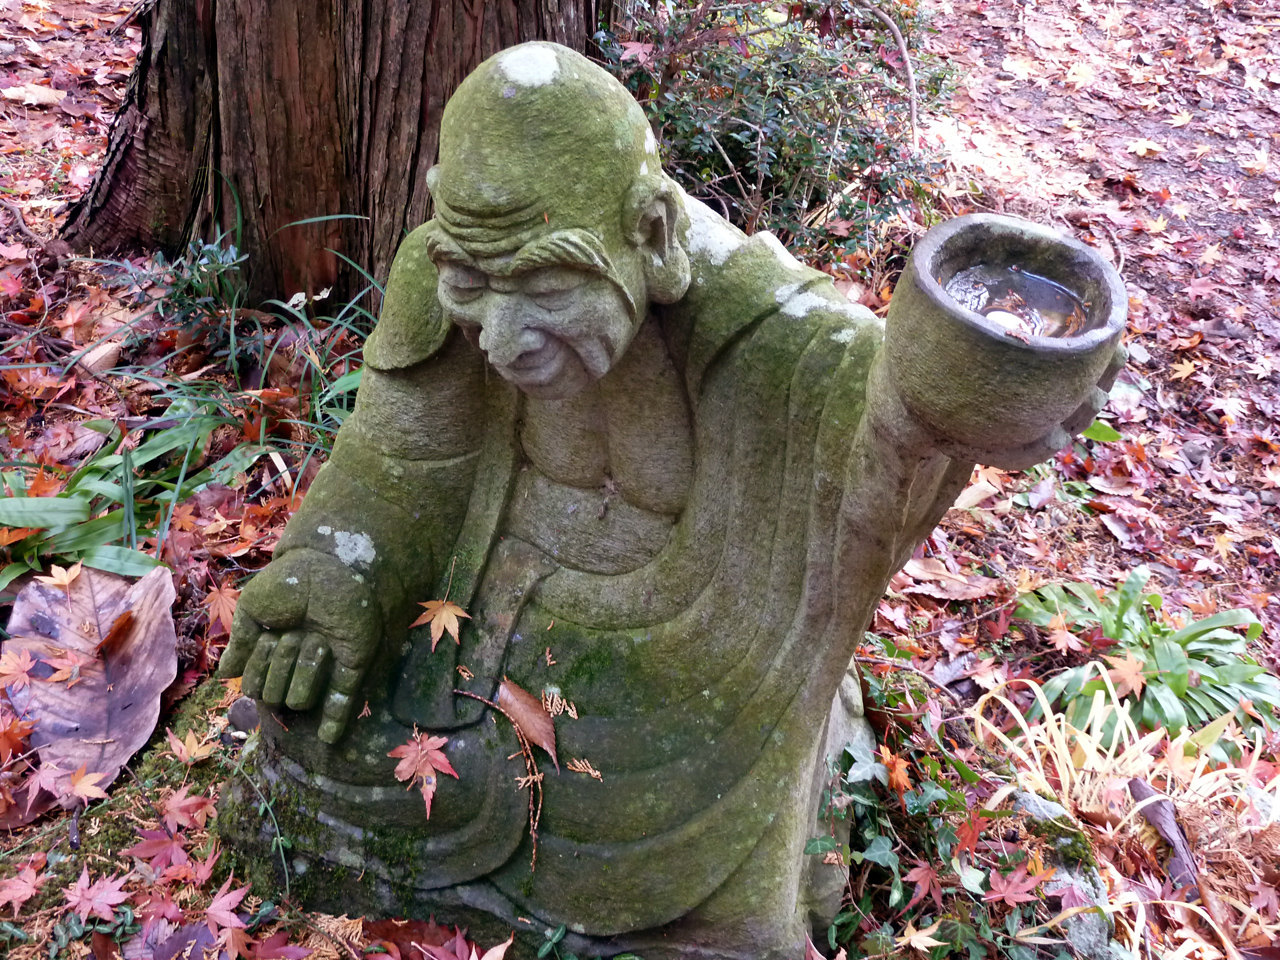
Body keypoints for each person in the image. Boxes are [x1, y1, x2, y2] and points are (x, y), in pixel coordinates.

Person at [220, 41, 1119, 959]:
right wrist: (331, 569)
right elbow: (402, 462)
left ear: (649, 235)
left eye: (546, 285)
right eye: (473, 284)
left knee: (700, 861)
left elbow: (870, 427)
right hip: (476, 627)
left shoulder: (771, 330)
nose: (500, 335)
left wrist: (943, 400)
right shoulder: (446, 271)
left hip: (702, 662)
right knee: (310, 741)